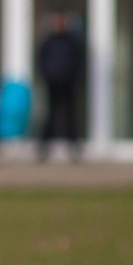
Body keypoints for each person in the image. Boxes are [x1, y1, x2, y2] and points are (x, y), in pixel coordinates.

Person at [36, 11, 84, 162]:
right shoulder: (49, 41)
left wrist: (75, 76)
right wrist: (47, 75)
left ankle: (74, 148)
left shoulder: (73, 41)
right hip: (52, 82)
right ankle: (44, 148)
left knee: (70, 115)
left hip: (68, 83)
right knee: (50, 115)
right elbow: (41, 60)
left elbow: (79, 61)